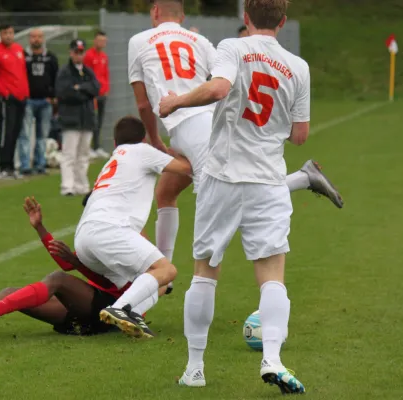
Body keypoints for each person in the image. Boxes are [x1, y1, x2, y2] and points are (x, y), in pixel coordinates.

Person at [128, 0, 343, 293]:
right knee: (165, 192)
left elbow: (143, 103)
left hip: (188, 128)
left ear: (154, 12)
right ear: (183, 15)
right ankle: (162, 272)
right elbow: (224, 79)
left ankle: (157, 282)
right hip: (199, 124)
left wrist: (154, 139)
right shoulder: (200, 40)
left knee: (225, 198)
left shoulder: (138, 41)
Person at [158, 0, 308, 393]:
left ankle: (194, 368)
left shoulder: (233, 48)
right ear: (283, 21)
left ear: (246, 18)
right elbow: (299, 135)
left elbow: (220, 88)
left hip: (223, 175)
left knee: (205, 272)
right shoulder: (299, 66)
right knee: (272, 275)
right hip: (269, 180)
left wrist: (176, 100)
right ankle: (272, 358)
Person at [0, 197, 168, 338]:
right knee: (12, 291)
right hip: (88, 313)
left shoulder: (129, 237)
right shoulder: (102, 234)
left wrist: (77, 262)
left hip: (112, 314)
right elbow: (67, 261)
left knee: (57, 279)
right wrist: (40, 229)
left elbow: (128, 287)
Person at [69, 116, 192, 339]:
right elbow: (186, 167)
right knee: (167, 270)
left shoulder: (114, 159)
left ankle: (132, 312)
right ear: (142, 138)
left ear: (115, 142)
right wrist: (191, 145)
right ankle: (120, 308)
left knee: (159, 281)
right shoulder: (141, 150)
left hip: (84, 238)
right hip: (108, 230)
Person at [56, 39, 100, 196]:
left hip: (86, 119)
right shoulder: (65, 72)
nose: (78, 55)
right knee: (69, 154)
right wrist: (84, 93)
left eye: (81, 52)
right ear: (71, 52)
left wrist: (80, 88)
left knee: (83, 155)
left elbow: (96, 88)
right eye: (76, 52)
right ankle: (67, 186)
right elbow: (64, 93)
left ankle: (81, 185)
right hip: (71, 119)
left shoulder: (88, 72)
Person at [0, 24, 29, 179]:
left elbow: (22, 73)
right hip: (5, 99)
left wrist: (25, 93)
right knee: (6, 132)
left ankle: (11, 166)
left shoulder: (18, 49)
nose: (8, 36)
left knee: (16, 132)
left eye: (11, 33)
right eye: (5, 33)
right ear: (0, 34)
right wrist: (5, 93)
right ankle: (3, 166)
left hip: (20, 97)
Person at [18, 28, 59, 176]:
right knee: (25, 134)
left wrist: (54, 96)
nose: (36, 39)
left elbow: (56, 78)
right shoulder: (22, 57)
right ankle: (24, 165)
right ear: (29, 39)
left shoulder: (50, 58)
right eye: (34, 37)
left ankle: (40, 164)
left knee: (42, 135)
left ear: (43, 39)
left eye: (39, 37)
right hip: (28, 100)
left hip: (45, 101)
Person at [84, 31, 111, 160]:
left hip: (102, 93)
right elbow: (87, 75)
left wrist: (106, 88)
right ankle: (88, 147)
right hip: (93, 94)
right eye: (100, 40)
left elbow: (105, 74)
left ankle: (97, 147)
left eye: (104, 41)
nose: (102, 43)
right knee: (92, 120)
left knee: (99, 120)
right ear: (95, 41)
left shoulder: (104, 56)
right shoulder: (89, 56)